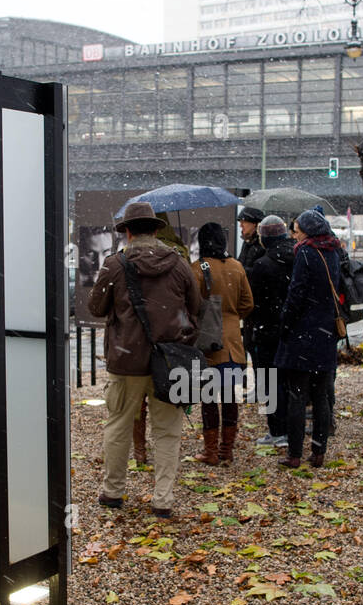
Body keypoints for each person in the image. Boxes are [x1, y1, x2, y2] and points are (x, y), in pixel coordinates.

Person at [89, 201, 200, 517]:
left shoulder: (115, 264)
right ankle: (162, 500)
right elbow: (196, 306)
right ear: (156, 229)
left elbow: (96, 307)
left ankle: (112, 493)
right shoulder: (179, 264)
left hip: (126, 361)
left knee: (118, 426)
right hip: (169, 361)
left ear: (126, 232)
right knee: (167, 431)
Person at [276, 209, 342, 469]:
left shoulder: (305, 252)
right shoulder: (332, 251)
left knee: (297, 395)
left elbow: (296, 293)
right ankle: (319, 451)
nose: (294, 234)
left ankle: (294, 453)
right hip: (325, 332)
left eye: (297, 229)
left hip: (304, 333)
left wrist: (286, 323)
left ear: (307, 231)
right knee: (322, 395)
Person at [191, 222, 253, 466]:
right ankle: (227, 450)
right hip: (233, 343)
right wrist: (231, 314)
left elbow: (192, 305)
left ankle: (210, 451)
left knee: (208, 398)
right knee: (229, 397)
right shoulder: (237, 267)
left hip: (208, 342)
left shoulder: (198, 268)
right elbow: (248, 303)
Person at [245, 214, 295, 446]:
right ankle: (294, 430)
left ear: (264, 238)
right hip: (293, 329)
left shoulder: (262, 265)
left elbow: (253, 302)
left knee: (269, 381)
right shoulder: (298, 257)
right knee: (290, 381)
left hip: (267, 330)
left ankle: (277, 430)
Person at [237, 206, 265, 276]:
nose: (240, 225)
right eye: (240, 222)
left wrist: (239, 270)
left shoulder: (262, 244)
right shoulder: (247, 242)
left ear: (255, 224)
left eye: (243, 222)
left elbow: (259, 273)